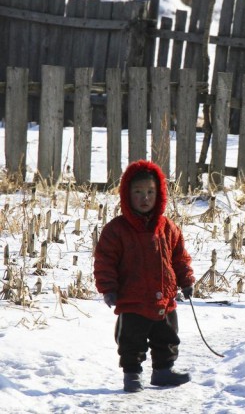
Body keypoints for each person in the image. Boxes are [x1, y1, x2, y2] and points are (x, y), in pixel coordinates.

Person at [94, 160, 195, 393]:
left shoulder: (168, 228)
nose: (144, 198)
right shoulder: (116, 230)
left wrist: (186, 279)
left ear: (159, 194)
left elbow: (179, 257)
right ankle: (132, 375)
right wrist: (108, 288)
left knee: (167, 336)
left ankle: (163, 371)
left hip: (164, 299)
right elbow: (105, 261)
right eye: (138, 192)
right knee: (131, 340)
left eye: (150, 192)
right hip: (133, 298)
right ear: (126, 195)